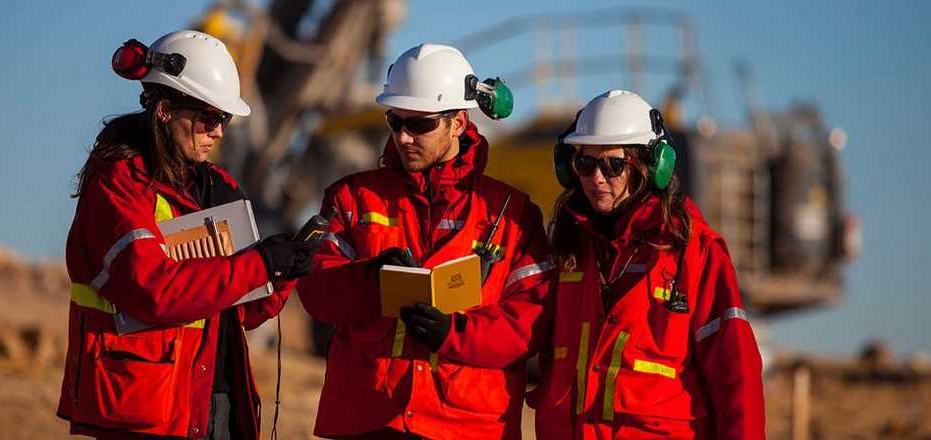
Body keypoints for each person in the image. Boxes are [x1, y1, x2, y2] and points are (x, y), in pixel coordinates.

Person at [56, 30, 317, 439]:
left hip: (214, 399)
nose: (219, 132)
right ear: (164, 110)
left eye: (224, 120)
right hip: (144, 404)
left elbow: (244, 313)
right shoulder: (119, 184)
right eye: (209, 117)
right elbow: (151, 289)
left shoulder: (218, 188)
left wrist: (282, 273)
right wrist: (258, 264)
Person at [295, 43, 555, 439]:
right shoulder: (352, 199)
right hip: (370, 418)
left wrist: (453, 335)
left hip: (467, 425)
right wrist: (371, 279)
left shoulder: (513, 215)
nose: (403, 136)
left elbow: (530, 323)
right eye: (394, 121)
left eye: (420, 124)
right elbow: (317, 292)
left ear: (458, 123)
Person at [528, 89, 765, 439]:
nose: (596, 178)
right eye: (585, 163)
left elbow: (736, 375)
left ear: (650, 166)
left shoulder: (695, 252)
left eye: (613, 165)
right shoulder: (565, 248)